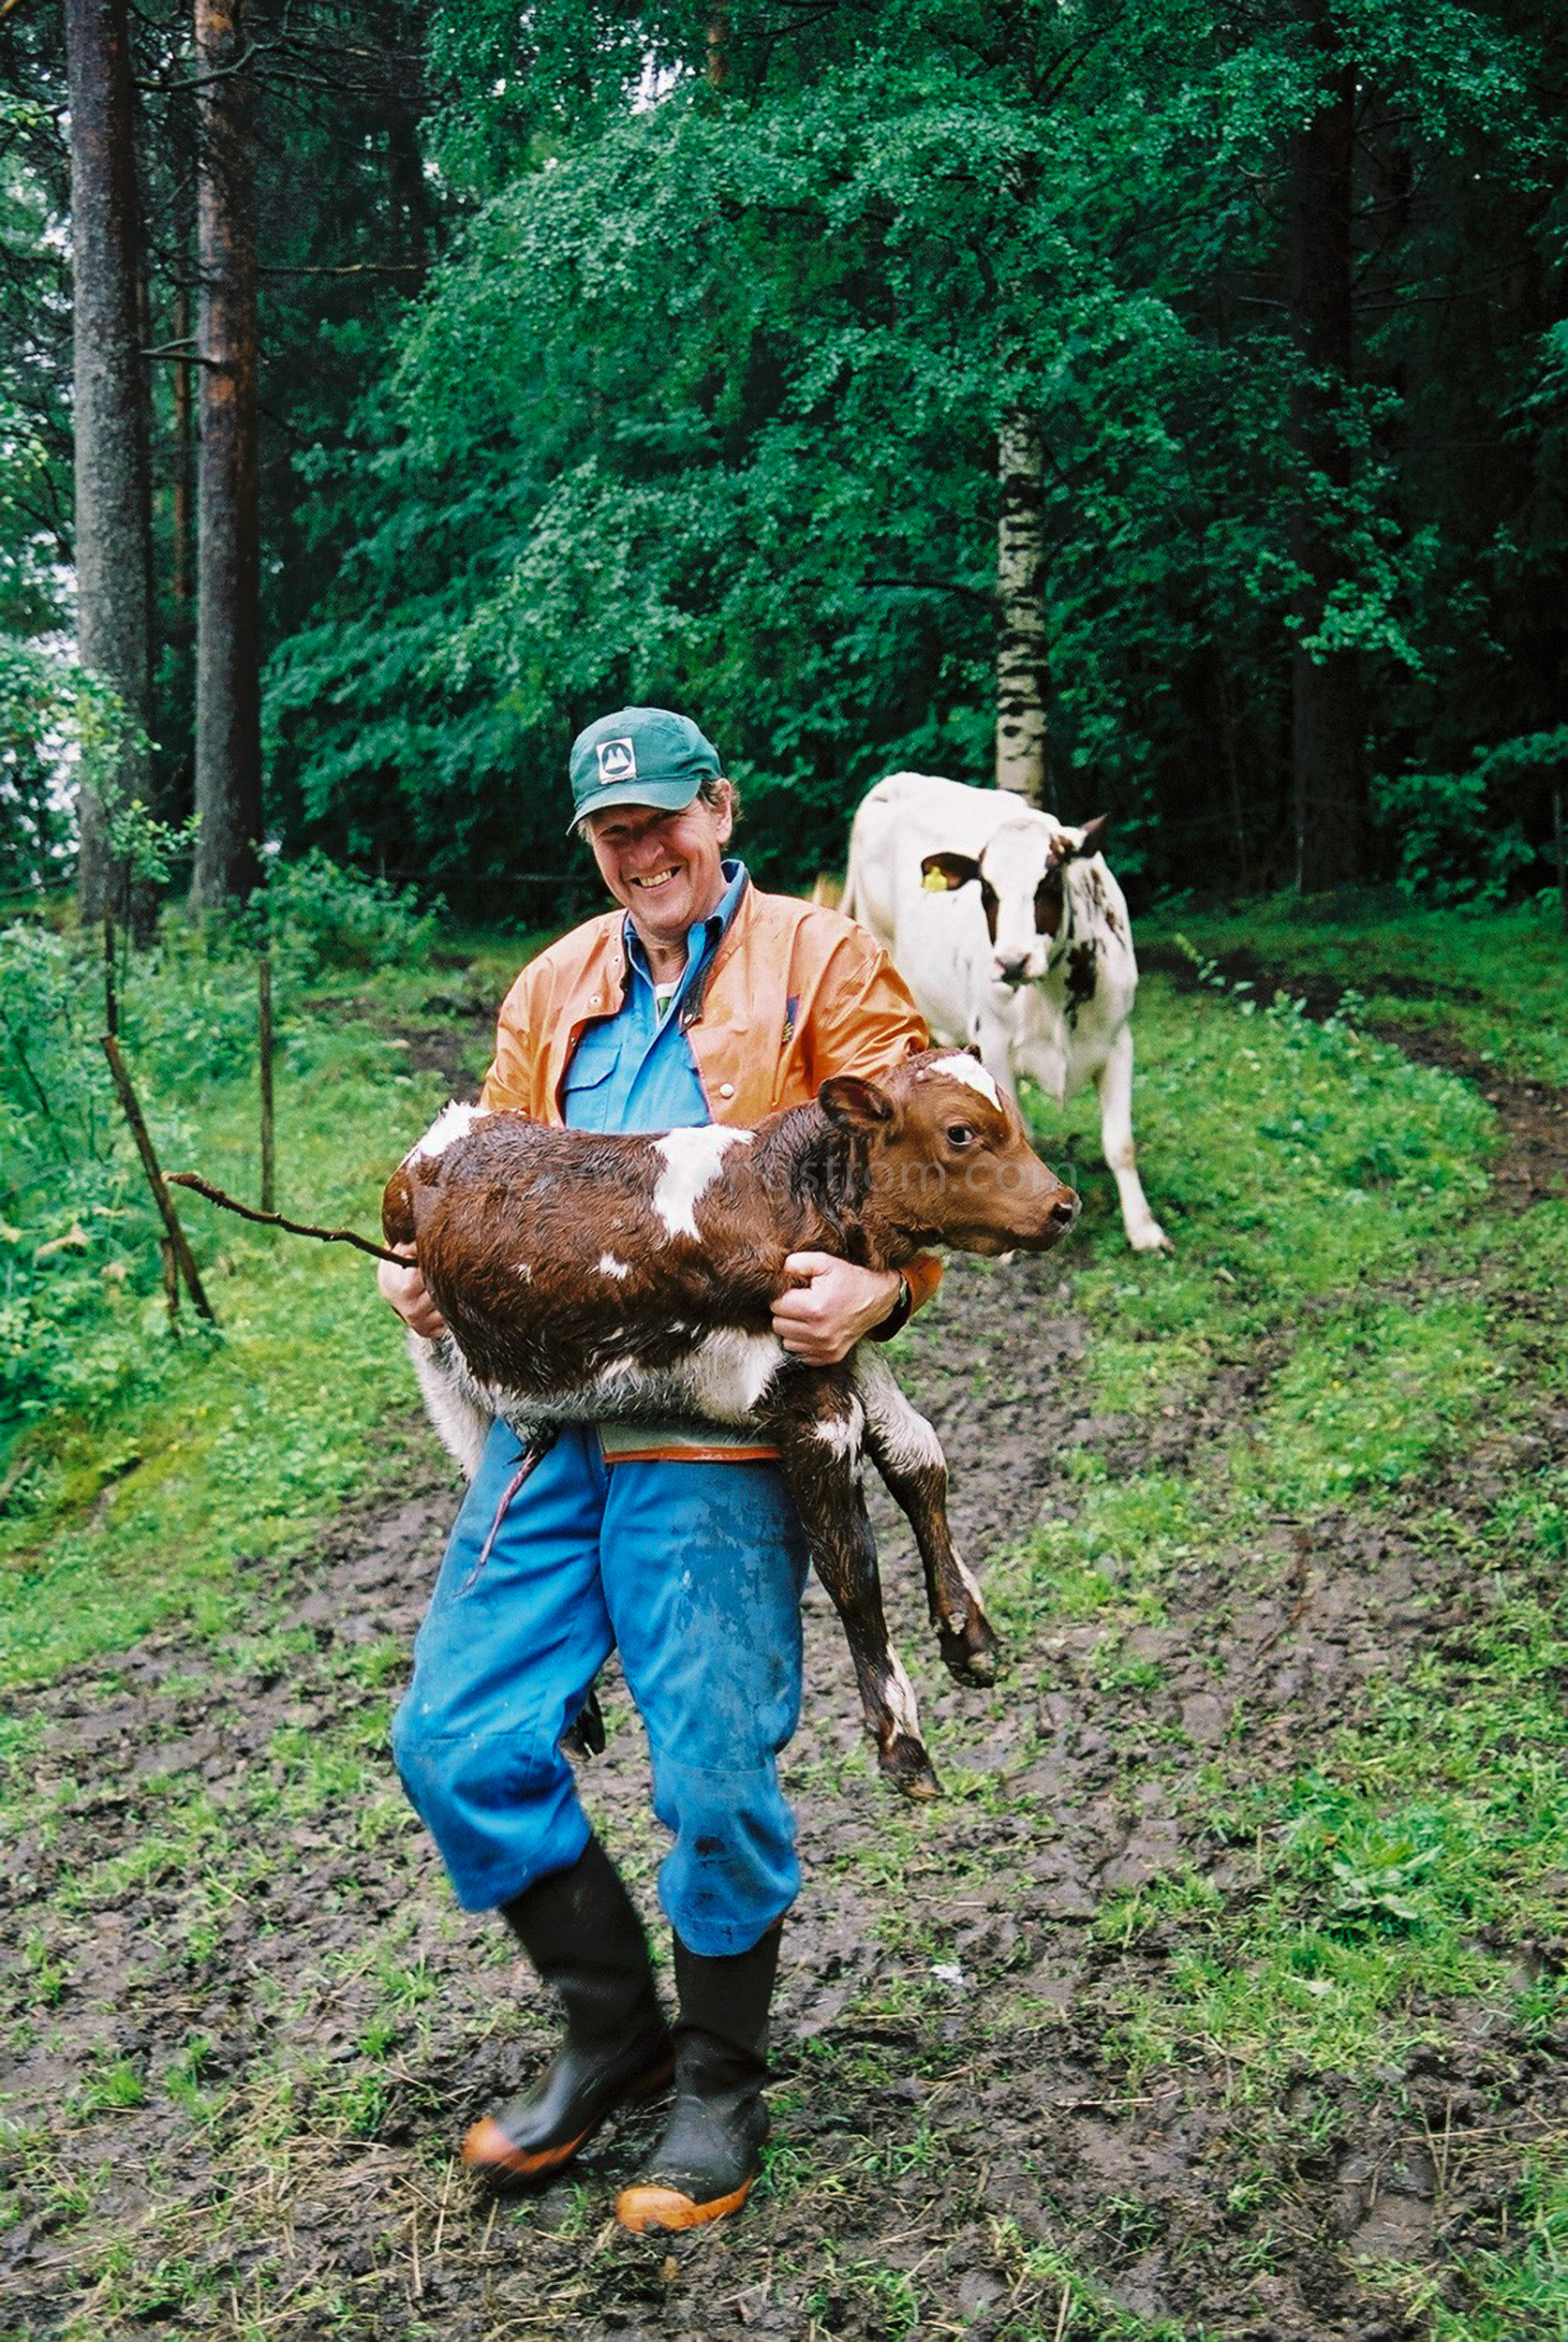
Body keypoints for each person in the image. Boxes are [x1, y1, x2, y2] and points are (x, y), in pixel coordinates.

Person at [377, 706, 940, 2234]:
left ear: (719, 809)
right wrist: (431, 1269)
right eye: (614, 836)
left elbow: (934, 1151)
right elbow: (489, 1177)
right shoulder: (554, 986)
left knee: (709, 1771)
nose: (643, 855)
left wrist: (883, 1291)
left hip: (718, 1419)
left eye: (665, 822)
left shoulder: (821, 963)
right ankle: (612, 2030)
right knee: (454, 1740)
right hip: (553, 1420)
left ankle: (715, 2078)